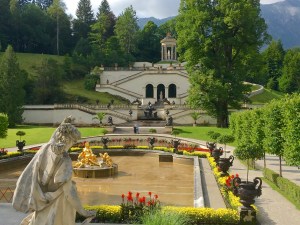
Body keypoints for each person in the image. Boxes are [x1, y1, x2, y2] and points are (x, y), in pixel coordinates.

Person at [12, 117, 96, 225]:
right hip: (57, 211)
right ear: (68, 140)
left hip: (43, 209)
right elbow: (69, 191)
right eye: (74, 141)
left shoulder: (46, 149)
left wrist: (62, 125)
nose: (73, 144)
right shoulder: (64, 161)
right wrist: (83, 211)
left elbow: (54, 139)